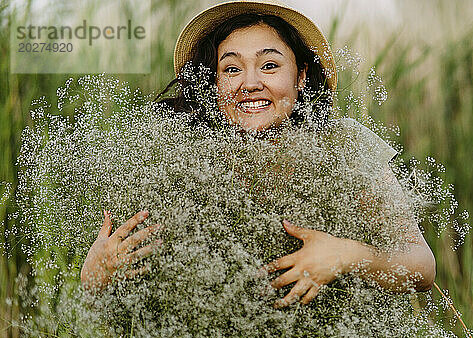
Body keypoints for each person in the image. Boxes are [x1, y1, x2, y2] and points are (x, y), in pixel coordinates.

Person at [80, 0, 436, 308]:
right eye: (231, 68)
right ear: (213, 83)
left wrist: (345, 256)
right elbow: (94, 279)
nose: (249, 83)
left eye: (269, 65)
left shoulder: (344, 146)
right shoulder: (177, 155)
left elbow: (420, 266)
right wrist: (99, 270)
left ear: (300, 76)